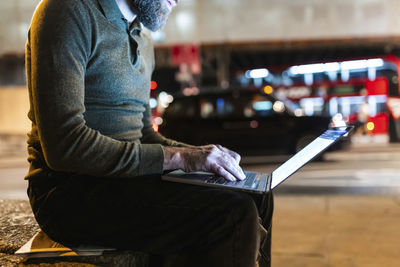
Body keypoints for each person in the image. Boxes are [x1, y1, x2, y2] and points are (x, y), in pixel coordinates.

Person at [25, 0, 274, 266]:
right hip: (69, 192)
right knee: (233, 216)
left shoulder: (142, 35)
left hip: (129, 178)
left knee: (258, 193)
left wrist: (203, 158)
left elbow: (145, 134)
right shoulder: (67, 11)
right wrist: (182, 159)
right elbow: (65, 146)